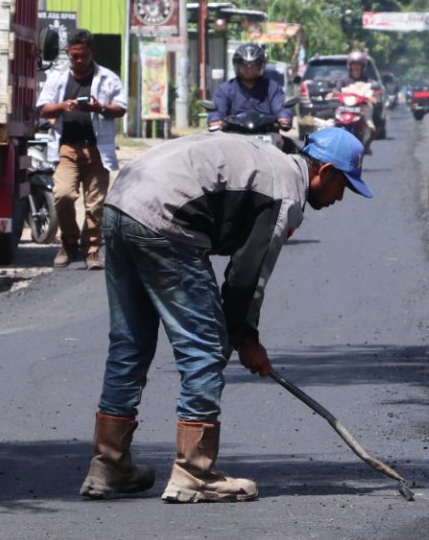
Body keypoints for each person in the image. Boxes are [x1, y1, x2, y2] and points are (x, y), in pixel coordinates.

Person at [78, 126, 372, 504]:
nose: (340, 198)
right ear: (325, 171)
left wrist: (243, 333)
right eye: (342, 186)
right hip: (165, 217)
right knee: (205, 347)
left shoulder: (270, 162)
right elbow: (247, 276)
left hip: (121, 204)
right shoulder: (285, 193)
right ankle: (194, 473)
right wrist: (245, 339)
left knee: (130, 342)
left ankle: (108, 466)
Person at [35, 28, 128, 270]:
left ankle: (92, 249)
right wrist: (63, 106)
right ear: (68, 52)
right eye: (74, 56)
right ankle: (68, 242)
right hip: (66, 149)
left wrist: (99, 108)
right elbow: (43, 108)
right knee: (63, 196)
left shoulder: (108, 78)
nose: (79, 60)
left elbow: (121, 108)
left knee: (95, 204)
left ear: (92, 52)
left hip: (97, 150)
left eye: (83, 56)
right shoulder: (57, 77)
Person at [210, 42, 291, 131]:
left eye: (254, 65)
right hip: (233, 135)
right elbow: (218, 108)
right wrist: (216, 119)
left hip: (267, 133)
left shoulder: (272, 87)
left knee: (291, 140)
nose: (249, 68)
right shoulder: (224, 89)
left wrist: (284, 117)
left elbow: (280, 106)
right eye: (244, 64)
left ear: (260, 66)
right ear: (237, 66)